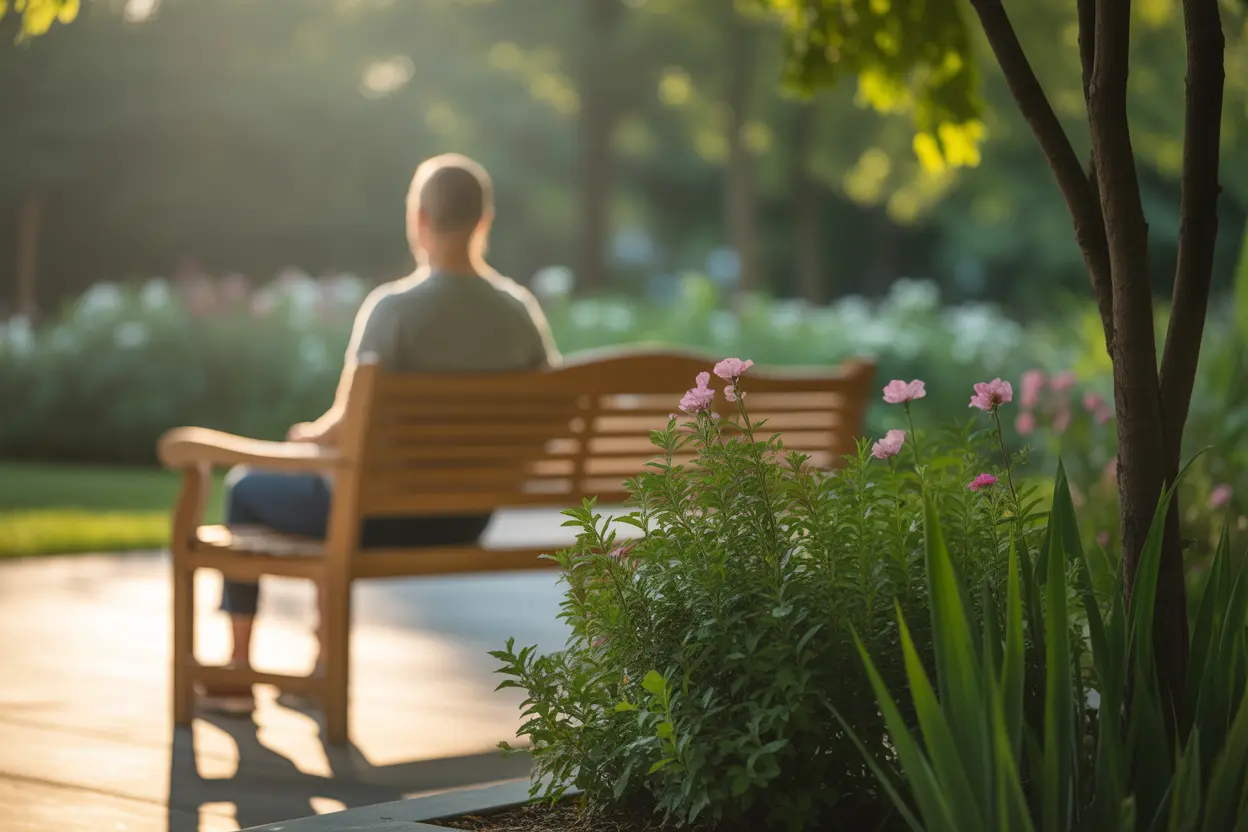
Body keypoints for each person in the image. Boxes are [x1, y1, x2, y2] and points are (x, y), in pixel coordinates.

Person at [200, 153, 561, 713]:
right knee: (335, 484)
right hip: (469, 518)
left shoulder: (393, 309)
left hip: (377, 518)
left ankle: (239, 671)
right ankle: (318, 665)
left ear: (419, 218)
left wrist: (307, 438)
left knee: (249, 486)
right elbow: (549, 413)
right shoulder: (518, 312)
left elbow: (347, 424)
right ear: (484, 221)